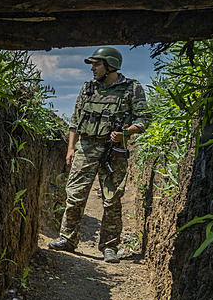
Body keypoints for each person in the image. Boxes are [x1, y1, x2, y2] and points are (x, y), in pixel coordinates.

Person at [48, 46, 150, 263]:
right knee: (75, 195)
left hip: (114, 151)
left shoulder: (131, 88)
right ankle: (67, 239)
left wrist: (125, 132)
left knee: (112, 199)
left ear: (110, 66)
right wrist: (71, 148)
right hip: (86, 148)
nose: (92, 68)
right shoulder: (88, 88)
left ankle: (109, 246)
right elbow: (75, 121)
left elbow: (143, 120)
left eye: (97, 64)